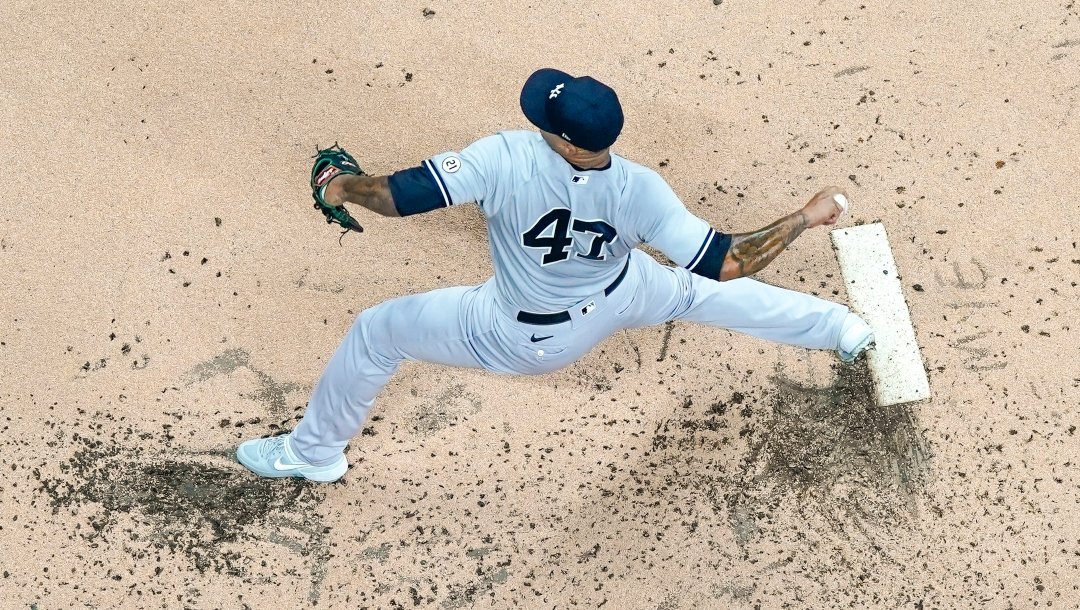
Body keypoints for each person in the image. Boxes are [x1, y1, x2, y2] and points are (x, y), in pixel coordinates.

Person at [236, 68, 874, 482]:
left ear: (567, 141)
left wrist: (339, 184)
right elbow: (731, 260)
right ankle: (843, 329)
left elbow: (398, 197)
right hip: (626, 291)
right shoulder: (640, 189)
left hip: (525, 335)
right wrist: (806, 216)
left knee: (378, 331)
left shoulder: (507, 156)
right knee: (704, 293)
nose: (539, 118)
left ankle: (310, 454)